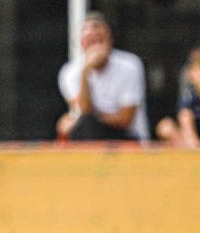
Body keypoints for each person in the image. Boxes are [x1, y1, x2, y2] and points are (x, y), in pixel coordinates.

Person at [55, 12, 149, 142]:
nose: (96, 48)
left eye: (100, 40)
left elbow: (126, 118)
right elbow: (84, 110)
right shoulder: (70, 73)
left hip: (126, 135)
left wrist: (94, 117)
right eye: (91, 42)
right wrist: (85, 73)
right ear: (82, 43)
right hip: (90, 133)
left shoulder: (130, 65)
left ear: (110, 41)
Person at [155, 46, 200, 149]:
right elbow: (185, 118)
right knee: (165, 127)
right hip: (193, 142)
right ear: (190, 75)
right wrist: (193, 143)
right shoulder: (190, 96)